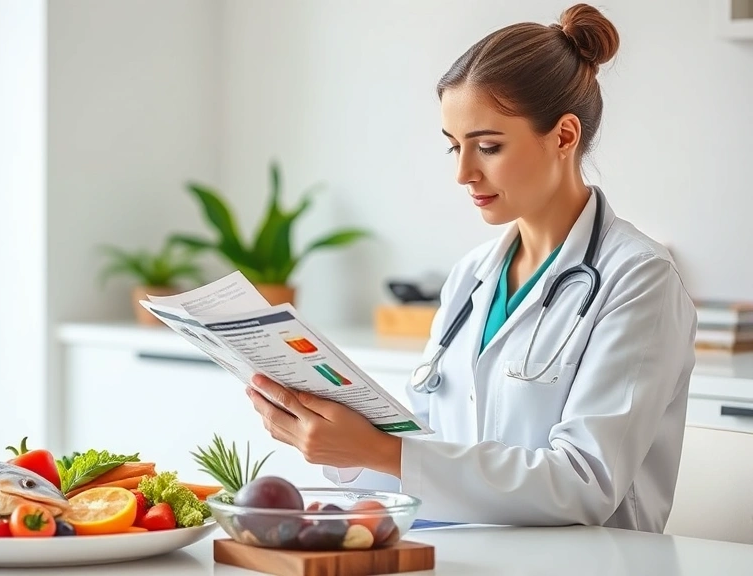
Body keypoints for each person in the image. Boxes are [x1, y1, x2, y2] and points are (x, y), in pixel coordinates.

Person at [244, 3, 698, 533]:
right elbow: (426, 454)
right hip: (464, 553)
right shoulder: (472, 277)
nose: (463, 172)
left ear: (564, 136)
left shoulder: (639, 279)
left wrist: (383, 451)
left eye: (488, 146)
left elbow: (583, 483)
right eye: (455, 147)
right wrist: (343, 444)